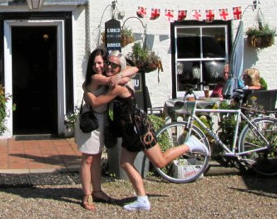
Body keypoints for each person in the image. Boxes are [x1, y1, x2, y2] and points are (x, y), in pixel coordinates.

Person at [102, 51, 209, 211]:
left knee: (159, 161)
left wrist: (111, 80)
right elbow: (130, 70)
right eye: (107, 63)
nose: (109, 66)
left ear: (120, 67)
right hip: (130, 131)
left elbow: (99, 101)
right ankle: (142, 199)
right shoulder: (115, 80)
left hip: (139, 128)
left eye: (114, 65)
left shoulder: (119, 85)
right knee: (125, 163)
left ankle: (190, 145)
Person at [76, 48, 137, 211]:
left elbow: (135, 68)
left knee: (96, 157)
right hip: (91, 121)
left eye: (100, 63)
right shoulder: (96, 78)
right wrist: (119, 77)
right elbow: (116, 83)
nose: (97, 66)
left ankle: (97, 191)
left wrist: (118, 74)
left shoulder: (107, 76)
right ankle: (87, 194)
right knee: (87, 159)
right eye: (94, 63)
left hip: (101, 120)